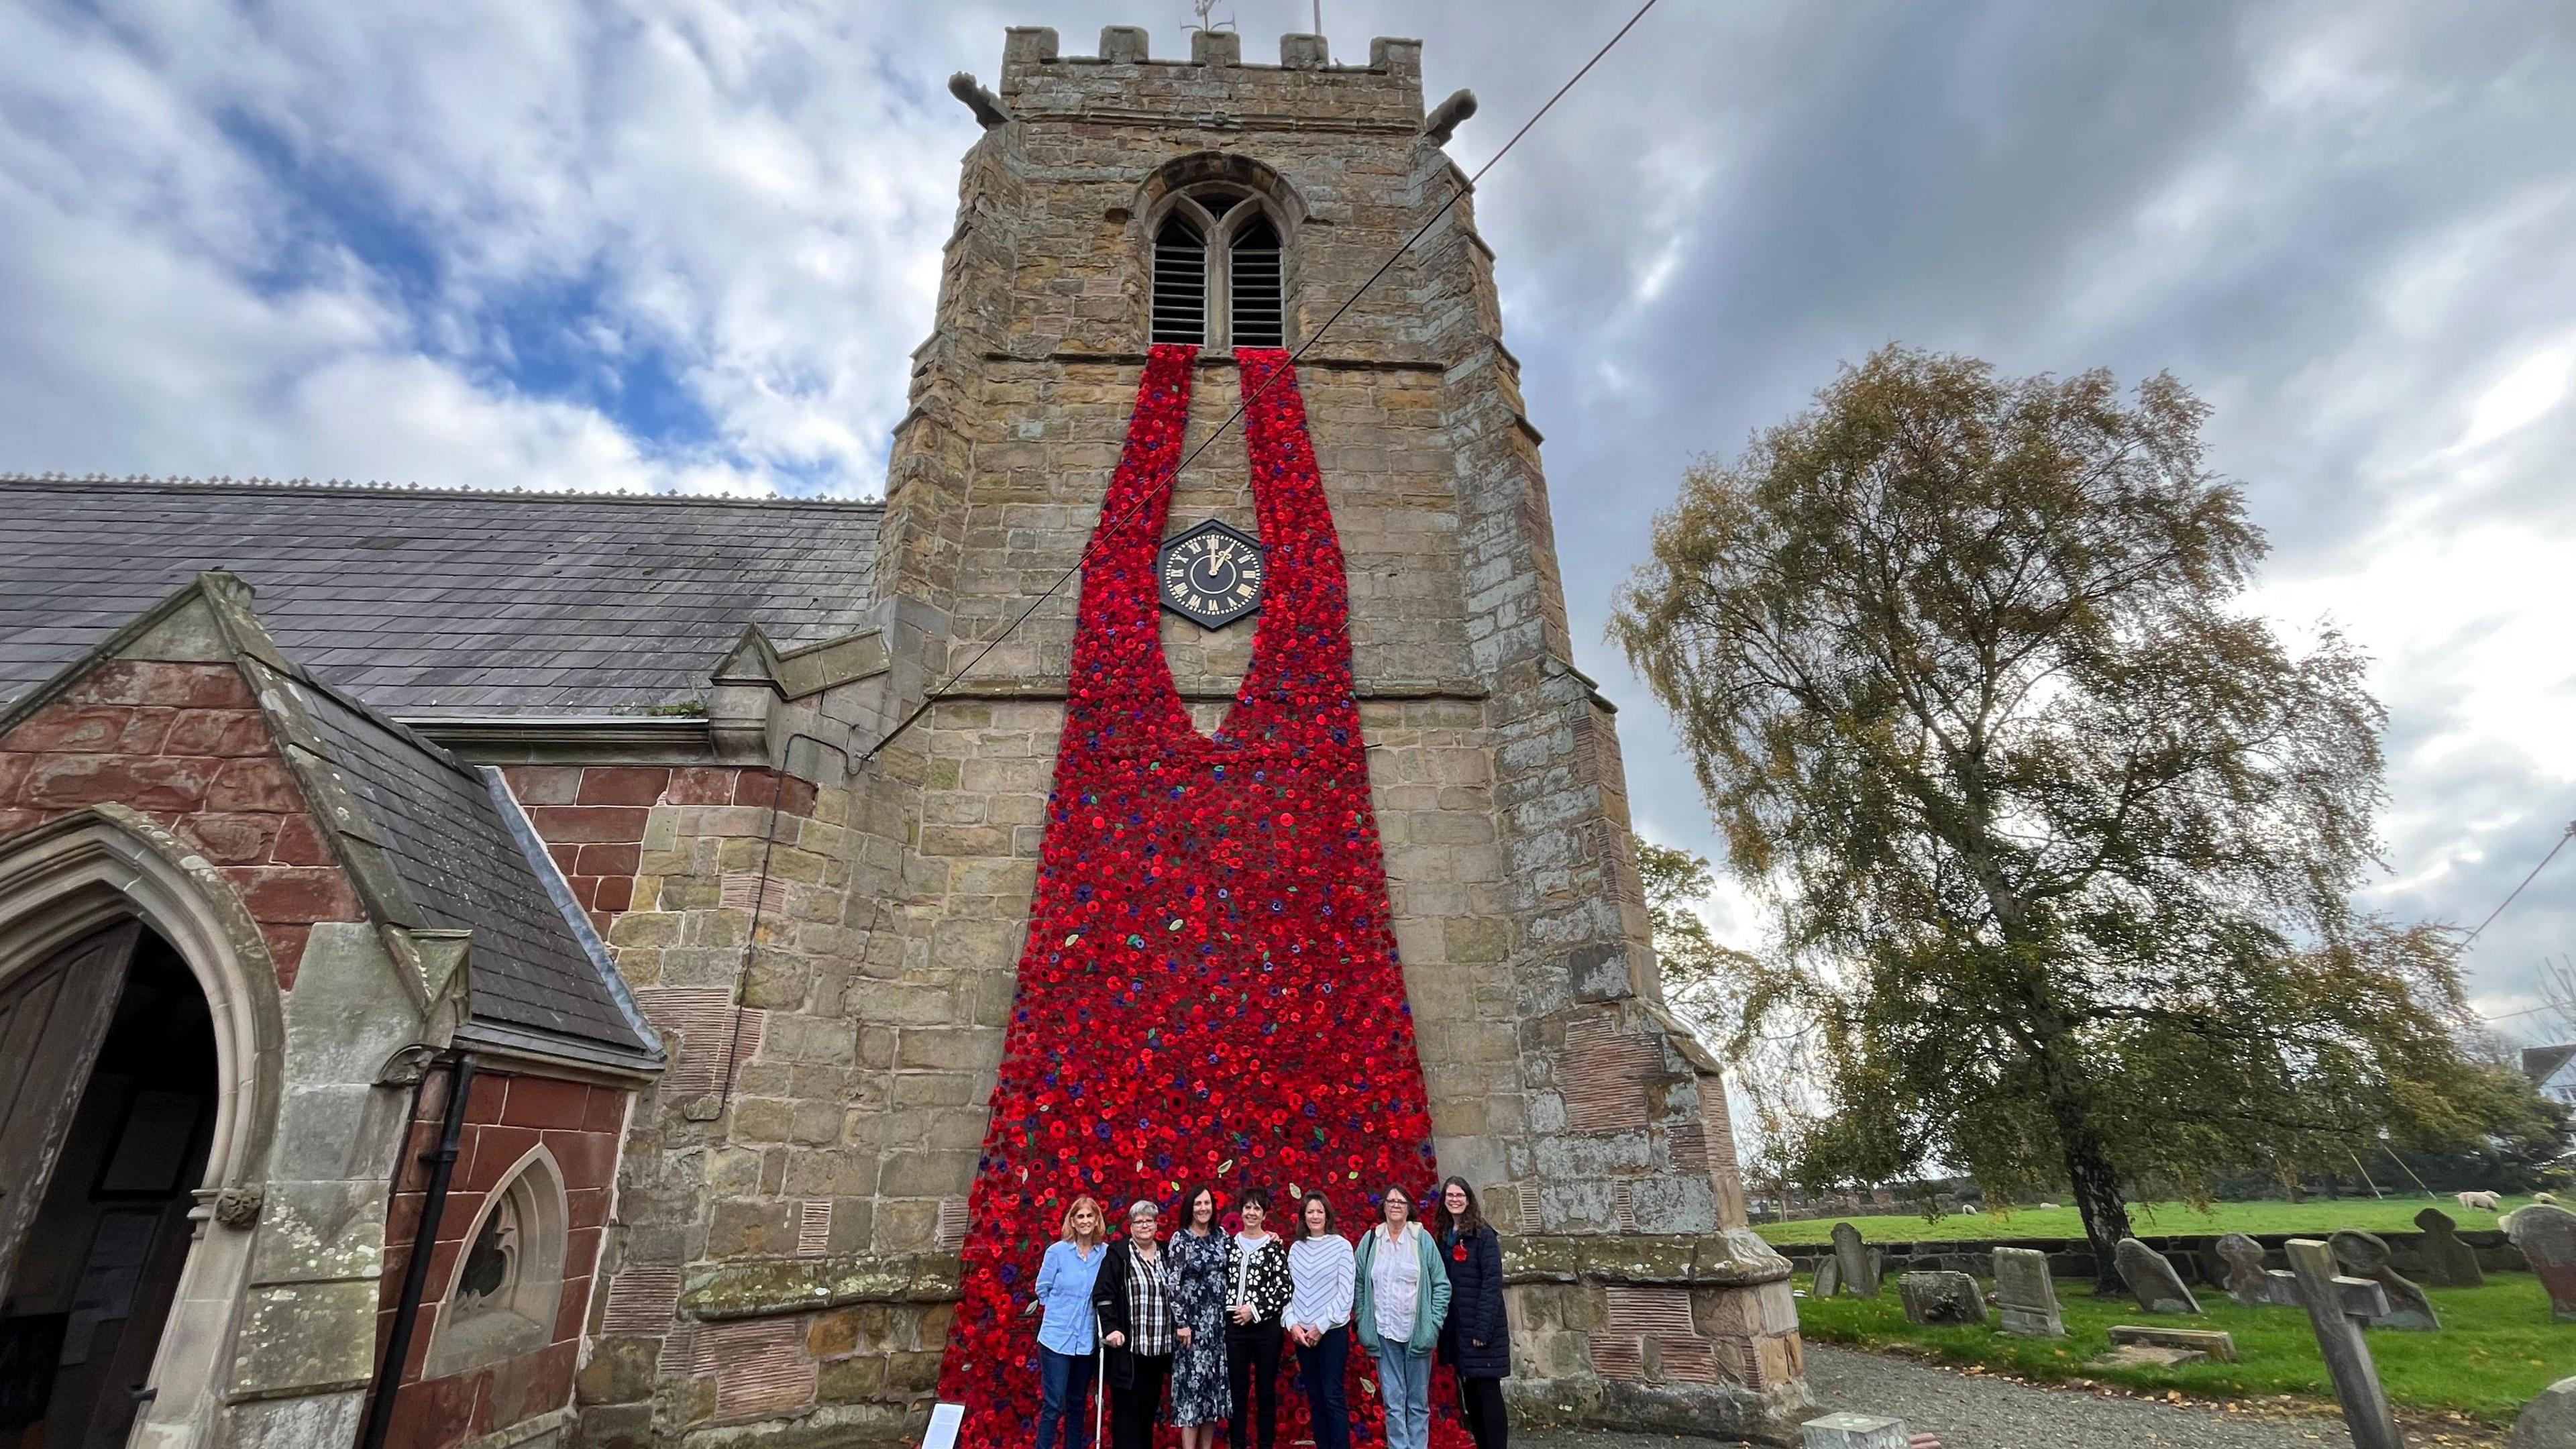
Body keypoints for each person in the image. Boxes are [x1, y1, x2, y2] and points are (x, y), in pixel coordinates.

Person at [1353, 1184, 1448, 1449]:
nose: (1395, 1205)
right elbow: (1360, 1283)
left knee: (1418, 1402)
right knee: (1393, 1401)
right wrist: (1362, 1320)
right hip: (1384, 1332)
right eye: (1391, 1201)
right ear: (1383, 1206)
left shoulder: (1422, 1239)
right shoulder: (1372, 1240)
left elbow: (1441, 1284)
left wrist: (1433, 1324)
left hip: (1417, 1332)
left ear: (1409, 1208)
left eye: (1401, 1201)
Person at [1024, 1196, 1109, 1449]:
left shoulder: (1104, 1254)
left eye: (1089, 1216)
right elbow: (1043, 1289)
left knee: (1077, 1402)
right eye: (1080, 1216)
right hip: (1056, 1340)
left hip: (1086, 1341)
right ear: (1072, 1221)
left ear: (1096, 1221)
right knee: (1054, 1403)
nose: (1085, 1221)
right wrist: (1060, 1312)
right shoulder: (1057, 1252)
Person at [1093, 1199, 1177, 1449]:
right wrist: (1111, 1328)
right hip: (1129, 1352)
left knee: (1148, 1414)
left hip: (1158, 1351)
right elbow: (1103, 1295)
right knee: (1127, 1417)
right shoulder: (1119, 1255)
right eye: (1138, 1221)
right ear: (1131, 1226)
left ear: (1156, 1224)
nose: (1144, 1226)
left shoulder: (1167, 1253)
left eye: (1149, 1221)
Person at [1434, 1177, 1509, 1449]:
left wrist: (1482, 1330)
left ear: (1469, 1199)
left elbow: (1492, 1283)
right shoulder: (1445, 1236)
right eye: (1450, 1195)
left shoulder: (1483, 1235)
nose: (1455, 1200)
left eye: (1460, 1195)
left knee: (1488, 1395)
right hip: (1459, 1329)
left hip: (1482, 1330)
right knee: (1471, 1396)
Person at [1283, 1190, 1356, 1449]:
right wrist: (1292, 1323)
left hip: (1332, 1334)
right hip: (1303, 1336)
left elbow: (1346, 1294)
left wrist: (1321, 1326)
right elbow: (1287, 1291)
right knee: (1315, 1397)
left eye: (1319, 1211)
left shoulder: (1341, 1247)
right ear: (1303, 1216)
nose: (1315, 1216)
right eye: (1310, 1212)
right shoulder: (1296, 1249)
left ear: (1327, 1215)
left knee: (1333, 1396)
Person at [1222, 1187, 1293, 1449]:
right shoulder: (1228, 1245)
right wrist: (1235, 1311)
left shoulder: (1274, 1247)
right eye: (1248, 1208)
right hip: (1235, 1328)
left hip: (1266, 1329)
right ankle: (1237, 1443)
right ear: (1241, 1211)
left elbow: (1284, 1288)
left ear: (1264, 1214)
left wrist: (1254, 1309)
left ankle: (1265, 1443)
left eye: (1257, 1209)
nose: (1251, 1213)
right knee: (1237, 1390)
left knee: (1265, 1390)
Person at [1164, 1185, 1232, 1449]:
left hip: (1218, 1329)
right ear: (1190, 1208)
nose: (1203, 1208)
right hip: (1191, 1330)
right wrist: (1182, 1323)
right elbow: (1173, 1284)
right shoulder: (1180, 1240)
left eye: (1207, 1204)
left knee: (1211, 1396)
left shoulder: (1222, 1236)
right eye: (1198, 1204)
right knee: (1192, 1395)